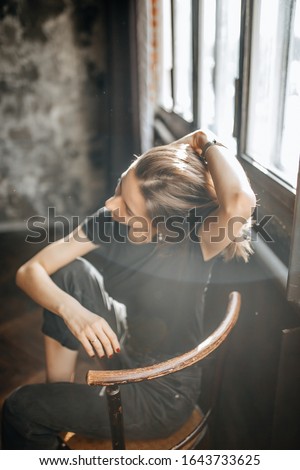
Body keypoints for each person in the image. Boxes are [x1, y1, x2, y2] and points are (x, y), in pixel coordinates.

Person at [1, 129, 256, 449]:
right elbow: (30, 271)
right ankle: (58, 402)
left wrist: (208, 142)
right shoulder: (110, 219)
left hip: (163, 391)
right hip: (127, 347)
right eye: (121, 185)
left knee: (19, 408)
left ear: (163, 228)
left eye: (129, 208)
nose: (110, 204)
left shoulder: (192, 243)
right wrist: (73, 311)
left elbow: (240, 202)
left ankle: (50, 422)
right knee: (69, 272)